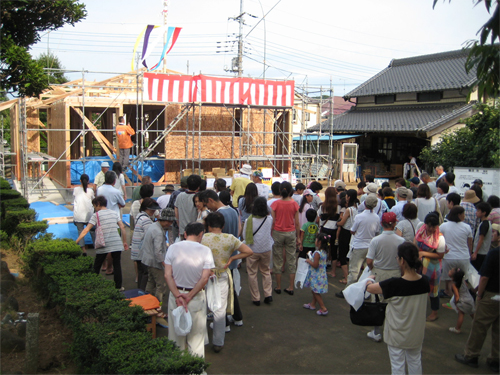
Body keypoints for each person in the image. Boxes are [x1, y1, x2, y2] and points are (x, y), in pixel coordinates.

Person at [366, 242, 430, 375]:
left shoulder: (394, 284)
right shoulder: (425, 282)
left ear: (402, 260)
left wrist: (368, 279)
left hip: (397, 332)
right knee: (415, 360)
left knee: (397, 364)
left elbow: (370, 288)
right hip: (416, 332)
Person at [202, 212, 253, 352]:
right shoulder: (230, 238)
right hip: (222, 275)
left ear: (208, 225)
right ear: (223, 225)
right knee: (220, 310)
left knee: (201, 307)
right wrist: (232, 259)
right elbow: (248, 251)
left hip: (204, 276)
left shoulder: (203, 238)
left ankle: (200, 339)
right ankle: (218, 342)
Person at [164, 222, 214, 358]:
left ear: (185, 234)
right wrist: (189, 296)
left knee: (175, 338)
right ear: (200, 235)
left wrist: (177, 295)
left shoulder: (173, 248)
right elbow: (204, 278)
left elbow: (167, 275)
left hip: (176, 296)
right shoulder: (205, 251)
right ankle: (196, 371)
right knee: (196, 339)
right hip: (196, 296)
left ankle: (176, 369)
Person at [454, 235, 499, 372]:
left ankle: (471, 355)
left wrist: (479, 295)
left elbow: (484, 277)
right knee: (498, 329)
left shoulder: (494, 253)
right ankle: (496, 359)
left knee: (479, 326)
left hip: (491, 294)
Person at [365, 212, 405, 343]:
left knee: (377, 302)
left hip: (379, 272)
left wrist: (372, 270)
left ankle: (377, 332)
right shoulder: (401, 241)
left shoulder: (376, 240)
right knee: (394, 303)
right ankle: (393, 331)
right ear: (394, 224)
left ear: (382, 224)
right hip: (395, 273)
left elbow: (369, 260)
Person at [75, 196, 128, 290]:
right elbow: (122, 227)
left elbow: (86, 230)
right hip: (116, 243)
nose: (95, 208)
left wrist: (77, 241)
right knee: (117, 265)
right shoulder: (114, 213)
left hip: (103, 244)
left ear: (98, 204)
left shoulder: (96, 215)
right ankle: (118, 287)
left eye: (94, 206)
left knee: (97, 266)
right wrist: (124, 241)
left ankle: (92, 286)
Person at [336, 195, 381, 298]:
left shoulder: (359, 216)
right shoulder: (376, 217)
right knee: (367, 271)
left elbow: (352, 230)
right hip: (370, 246)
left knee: (354, 271)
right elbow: (377, 232)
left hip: (359, 245)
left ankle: (348, 291)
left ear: (365, 203)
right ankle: (367, 291)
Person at [140, 208, 175, 328]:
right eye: (169, 222)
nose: (170, 224)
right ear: (164, 220)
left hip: (147, 260)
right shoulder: (159, 232)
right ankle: (158, 308)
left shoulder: (153, 225)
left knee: (151, 282)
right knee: (161, 286)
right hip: (156, 263)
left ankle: (146, 304)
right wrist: (166, 265)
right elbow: (158, 252)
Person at [414, 212, 446, 322]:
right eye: (429, 226)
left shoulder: (440, 238)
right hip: (419, 265)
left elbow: (440, 255)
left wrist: (422, 254)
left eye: (434, 226)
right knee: (418, 287)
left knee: (433, 289)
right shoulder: (421, 229)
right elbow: (415, 241)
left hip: (433, 267)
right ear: (426, 224)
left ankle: (434, 312)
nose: (431, 228)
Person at [270, 181, 300, 295]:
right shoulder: (294, 204)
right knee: (291, 259)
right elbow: (297, 222)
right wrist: (298, 237)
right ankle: (291, 287)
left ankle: (278, 286)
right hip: (291, 232)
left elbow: (272, 222)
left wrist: (271, 233)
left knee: (278, 260)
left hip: (277, 232)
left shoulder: (275, 204)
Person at [243, 197, 274, 306]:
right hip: (266, 248)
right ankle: (268, 294)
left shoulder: (249, 220)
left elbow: (244, 236)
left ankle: (256, 298)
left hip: (252, 250)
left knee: (252, 273)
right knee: (265, 271)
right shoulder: (269, 219)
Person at [96, 171, 126, 274]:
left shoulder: (99, 189)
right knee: (112, 247)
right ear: (114, 181)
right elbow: (123, 204)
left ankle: (104, 265)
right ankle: (109, 267)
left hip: (101, 219)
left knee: (102, 243)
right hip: (114, 220)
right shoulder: (116, 191)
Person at [130, 198, 157, 290]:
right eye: (152, 209)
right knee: (146, 274)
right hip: (143, 252)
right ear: (146, 208)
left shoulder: (139, 216)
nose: (153, 211)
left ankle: (139, 292)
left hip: (137, 250)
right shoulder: (146, 220)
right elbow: (150, 236)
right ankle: (142, 293)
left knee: (141, 272)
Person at [302, 232, 330, 316]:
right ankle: (313, 304)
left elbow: (315, 265)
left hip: (316, 275)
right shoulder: (324, 251)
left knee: (315, 292)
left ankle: (323, 308)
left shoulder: (317, 253)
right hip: (321, 275)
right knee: (315, 290)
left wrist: (309, 260)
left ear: (319, 242)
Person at [317, 187, 340, 277]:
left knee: (323, 250)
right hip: (334, 231)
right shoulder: (338, 207)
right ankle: (333, 272)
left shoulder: (323, 206)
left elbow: (319, 217)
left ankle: (322, 269)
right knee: (333, 251)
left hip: (325, 230)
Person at [336, 189, 358, 285]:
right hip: (353, 233)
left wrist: (338, 222)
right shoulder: (358, 207)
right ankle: (348, 274)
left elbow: (342, 222)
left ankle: (346, 277)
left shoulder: (349, 210)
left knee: (342, 255)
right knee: (349, 255)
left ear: (348, 197)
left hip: (345, 232)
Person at [447, 267, 475, 334]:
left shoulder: (454, 285)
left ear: (453, 277)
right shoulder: (463, 281)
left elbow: (457, 296)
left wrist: (456, 304)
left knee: (461, 314)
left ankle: (457, 328)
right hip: (470, 299)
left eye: (451, 270)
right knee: (472, 313)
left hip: (463, 301)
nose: (449, 270)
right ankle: (478, 324)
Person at [73, 174, 95, 254]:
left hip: (78, 215)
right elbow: (93, 201)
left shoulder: (76, 190)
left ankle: (83, 250)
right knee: (93, 232)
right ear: (88, 181)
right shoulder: (90, 191)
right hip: (89, 215)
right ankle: (97, 247)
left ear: (80, 181)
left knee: (80, 232)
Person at [175, 174, 202, 240]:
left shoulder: (180, 196)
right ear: (198, 187)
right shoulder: (199, 198)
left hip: (183, 230)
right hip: (195, 232)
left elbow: (176, 212)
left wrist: (179, 226)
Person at [471, 202, 492, 271]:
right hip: (483, 252)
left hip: (480, 253)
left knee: (475, 271)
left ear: (484, 213)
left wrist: (475, 252)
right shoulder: (486, 223)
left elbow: (481, 239)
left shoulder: (484, 224)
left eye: (478, 211)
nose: (476, 212)